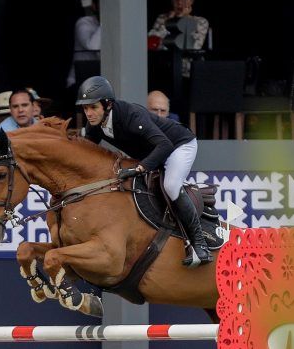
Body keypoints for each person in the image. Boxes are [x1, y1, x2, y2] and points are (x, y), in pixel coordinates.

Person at [77, 76, 212, 267]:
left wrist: (139, 168)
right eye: (85, 108)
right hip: (154, 151)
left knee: (171, 185)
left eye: (93, 107)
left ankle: (200, 244)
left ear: (107, 105)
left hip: (178, 145)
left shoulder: (131, 116)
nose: (89, 113)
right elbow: (87, 150)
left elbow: (164, 145)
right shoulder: (95, 124)